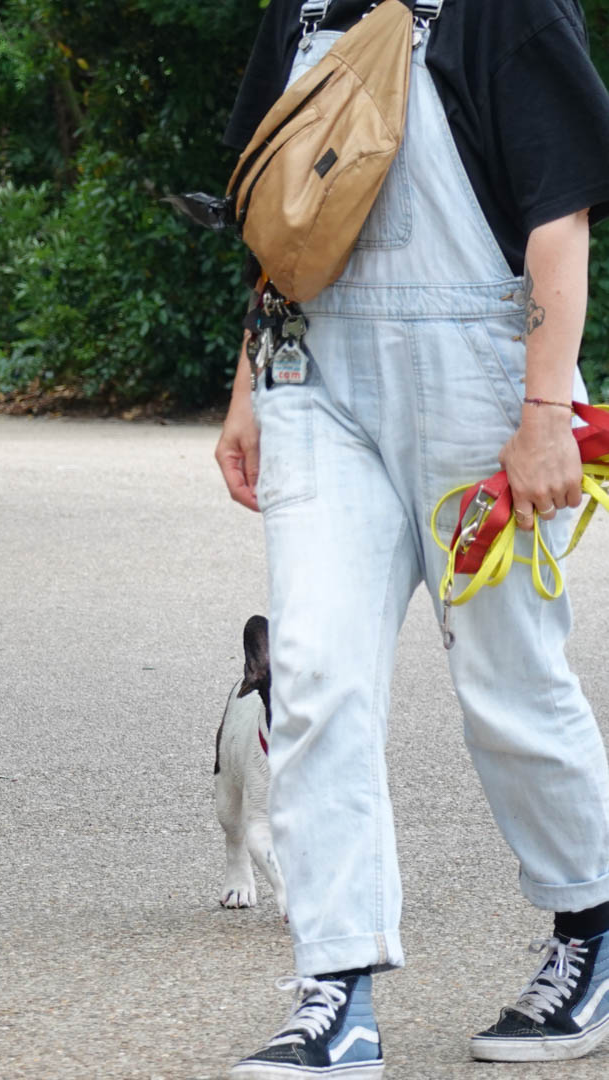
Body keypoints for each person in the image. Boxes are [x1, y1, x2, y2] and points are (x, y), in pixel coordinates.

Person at [216, 2, 609, 1074]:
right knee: (311, 677)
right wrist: (248, 385)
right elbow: (277, 219)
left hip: (477, 383)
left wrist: (544, 410)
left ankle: (590, 928)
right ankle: (334, 992)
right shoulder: (299, 13)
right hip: (312, 379)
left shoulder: (503, 8)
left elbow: (559, 213)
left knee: (507, 677)